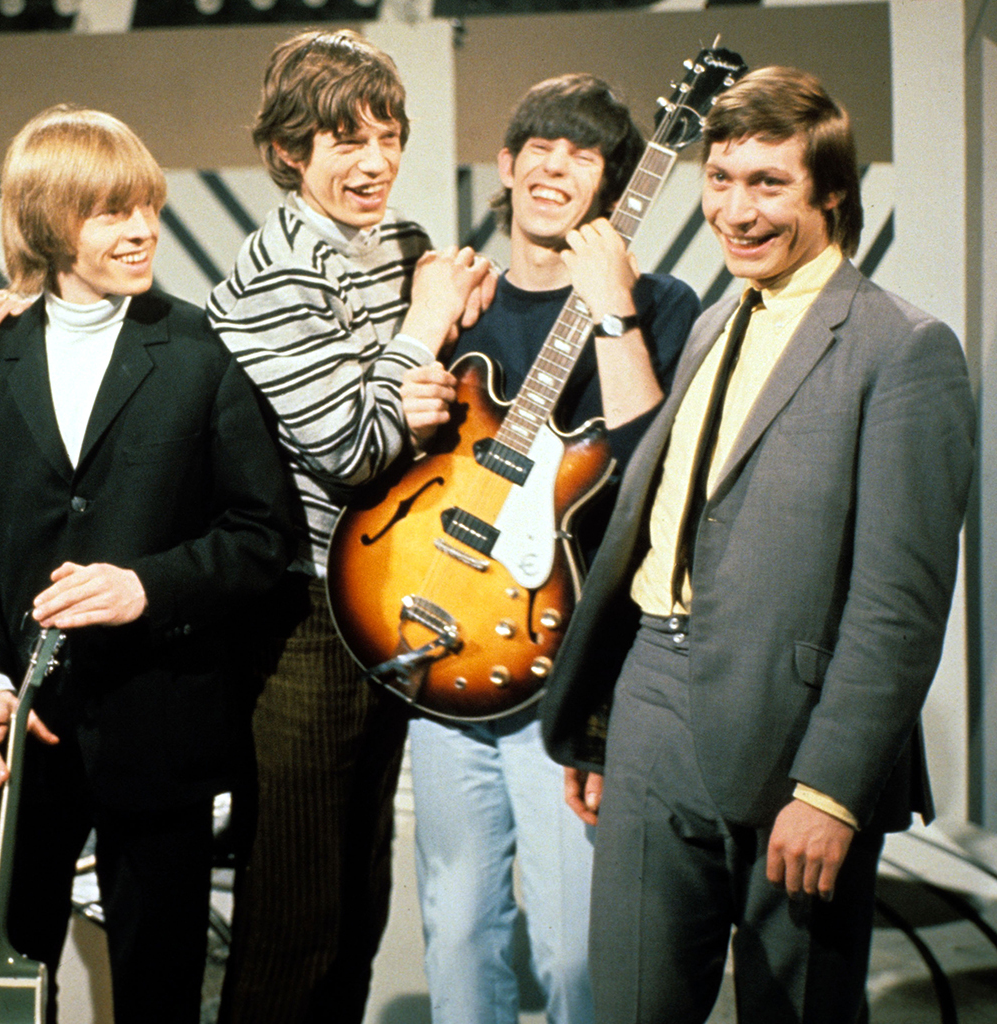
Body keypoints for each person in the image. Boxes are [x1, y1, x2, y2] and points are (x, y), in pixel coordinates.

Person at [538, 66, 976, 1023]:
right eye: (721, 179)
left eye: (769, 184)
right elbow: (659, 532)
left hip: (795, 735)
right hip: (650, 704)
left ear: (831, 193)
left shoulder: (904, 347)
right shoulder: (709, 323)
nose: (735, 211)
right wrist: (607, 719)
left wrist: (832, 791)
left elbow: (899, 604)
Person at [0, 105, 295, 1024]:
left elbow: (263, 534)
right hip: (26, 736)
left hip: (161, 730)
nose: (143, 232)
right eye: (112, 213)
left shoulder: (201, 355)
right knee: (11, 988)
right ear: (50, 223)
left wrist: (145, 587)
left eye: (150, 208)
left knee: (161, 992)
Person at [398, 74, 698, 1024]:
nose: (555, 167)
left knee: (574, 955)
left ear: (615, 183)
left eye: (583, 154)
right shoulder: (462, 303)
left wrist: (612, 310)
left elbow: (649, 467)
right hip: (445, 650)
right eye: (540, 147)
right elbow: (396, 466)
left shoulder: (660, 302)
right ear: (506, 164)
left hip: (574, 672)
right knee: (457, 935)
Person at [206, 28, 491, 1023]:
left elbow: (424, 414)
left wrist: (448, 327)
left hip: (394, 594)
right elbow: (361, 447)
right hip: (306, 620)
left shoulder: (404, 244)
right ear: (290, 151)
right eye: (345, 141)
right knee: (296, 914)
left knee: (360, 895)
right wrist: (425, 326)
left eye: (388, 137)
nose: (375, 163)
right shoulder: (273, 276)